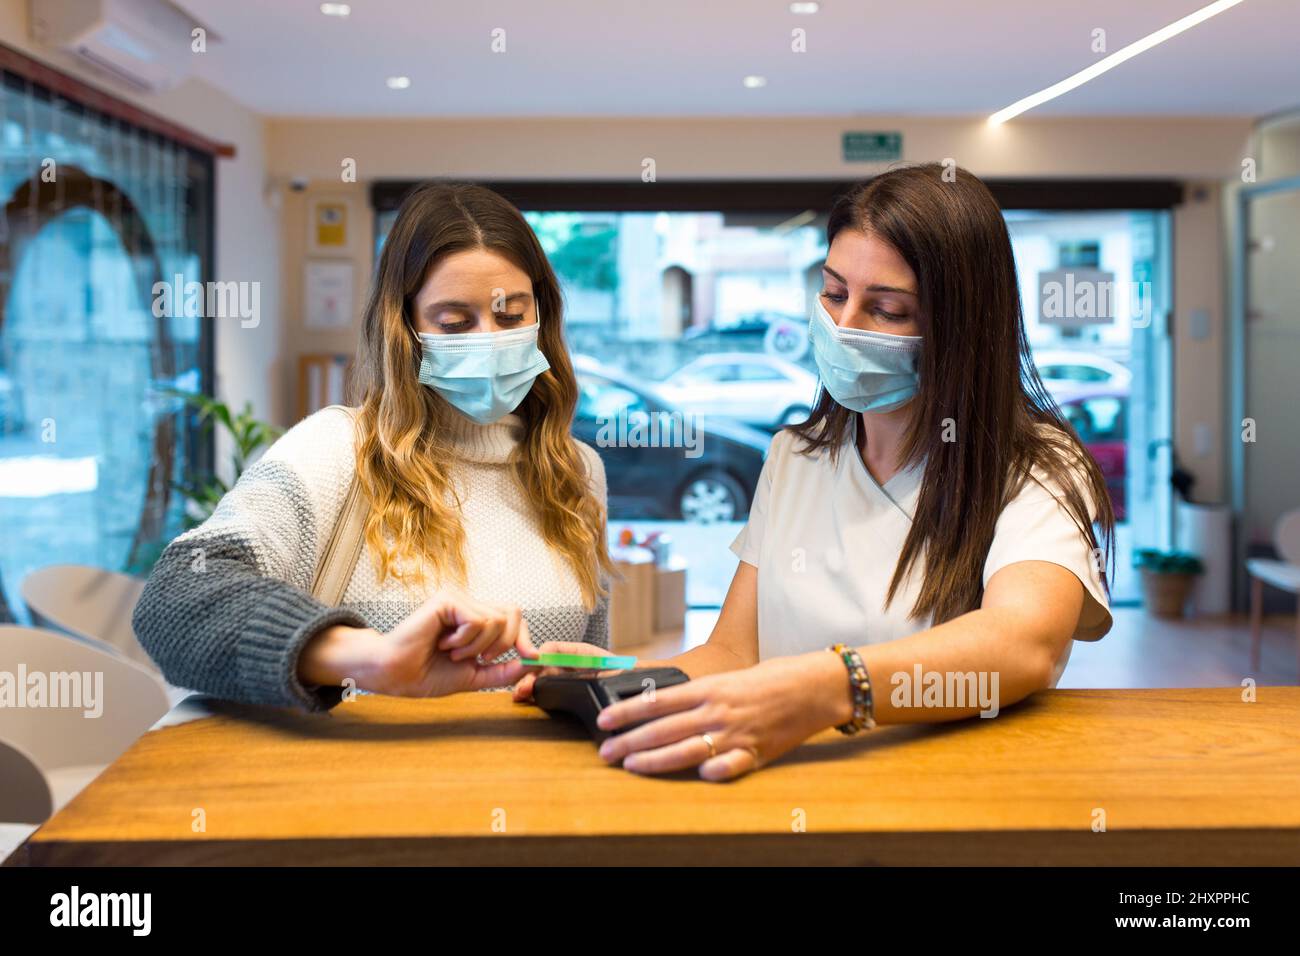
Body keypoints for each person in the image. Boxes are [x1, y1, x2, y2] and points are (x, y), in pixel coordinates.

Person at [515, 163, 1114, 781]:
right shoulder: (794, 458)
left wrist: (828, 687)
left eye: (887, 310)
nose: (844, 326)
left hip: (951, 802)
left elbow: (1023, 644)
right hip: (793, 791)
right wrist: (624, 684)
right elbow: (732, 655)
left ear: (964, 329)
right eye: (833, 294)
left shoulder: (1037, 468)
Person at [134, 182, 612, 711]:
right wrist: (370, 657)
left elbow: (587, 666)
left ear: (541, 316)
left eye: (511, 316)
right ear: (403, 328)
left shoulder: (577, 471)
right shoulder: (338, 449)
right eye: (454, 323)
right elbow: (173, 603)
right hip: (361, 789)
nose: (489, 340)